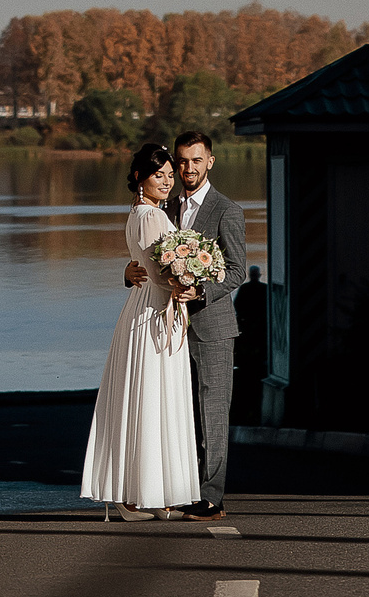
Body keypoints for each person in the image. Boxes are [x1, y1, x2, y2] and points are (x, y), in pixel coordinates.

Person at [122, 129, 245, 519]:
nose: (188, 168)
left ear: (210, 161)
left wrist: (202, 292)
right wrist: (129, 273)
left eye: (196, 160)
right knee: (177, 411)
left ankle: (211, 496)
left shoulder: (227, 210)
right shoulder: (164, 207)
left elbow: (238, 270)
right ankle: (180, 487)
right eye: (182, 161)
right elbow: (150, 257)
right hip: (166, 328)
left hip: (211, 326)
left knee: (212, 412)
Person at [79, 142, 202, 519]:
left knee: (151, 399)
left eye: (169, 175)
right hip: (152, 311)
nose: (166, 181)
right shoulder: (150, 216)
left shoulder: (141, 212)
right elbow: (157, 271)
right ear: (139, 178)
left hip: (146, 307)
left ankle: (155, 494)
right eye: (157, 175)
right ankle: (135, 497)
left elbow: (144, 266)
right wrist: (186, 283)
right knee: (151, 398)